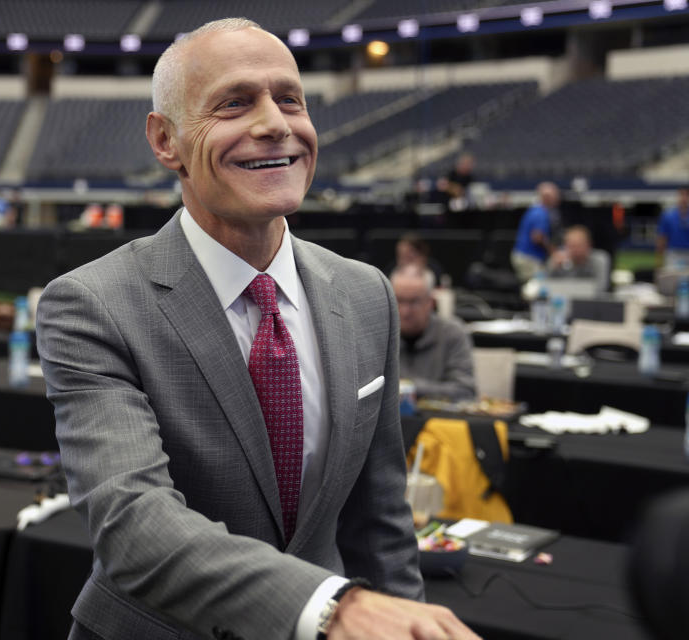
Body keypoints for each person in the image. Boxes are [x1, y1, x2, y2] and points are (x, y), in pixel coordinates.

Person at [36, 18, 477, 640]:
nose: (276, 123)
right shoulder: (92, 304)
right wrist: (332, 608)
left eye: (290, 99)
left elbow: (379, 521)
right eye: (235, 103)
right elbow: (133, 525)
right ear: (166, 141)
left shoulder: (365, 292)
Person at [392, 266, 476, 401]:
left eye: (414, 302)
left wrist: (410, 388)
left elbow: (464, 391)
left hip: (441, 420)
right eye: (399, 300)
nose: (405, 311)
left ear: (430, 302)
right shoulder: (379, 336)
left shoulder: (453, 334)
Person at [511, 181, 562, 282]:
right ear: (547, 197)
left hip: (523, 256)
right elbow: (538, 237)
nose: (558, 198)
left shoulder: (535, 210)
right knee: (537, 285)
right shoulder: (540, 214)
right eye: (555, 196)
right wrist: (554, 253)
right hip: (528, 258)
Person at [547, 224, 609, 291]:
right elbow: (547, 286)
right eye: (572, 246)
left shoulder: (599, 259)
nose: (575, 250)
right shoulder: (560, 261)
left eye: (579, 245)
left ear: (588, 245)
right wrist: (553, 266)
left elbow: (601, 287)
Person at [656, 187, 689, 269]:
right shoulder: (668, 215)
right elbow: (662, 237)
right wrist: (659, 259)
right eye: (681, 195)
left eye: (687, 195)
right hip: (673, 253)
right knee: (672, 278)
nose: (684, 198)